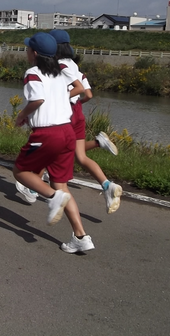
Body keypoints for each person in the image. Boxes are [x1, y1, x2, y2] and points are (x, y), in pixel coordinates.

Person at [12, 32, 94, 254]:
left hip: (47, 134)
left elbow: (37, 99)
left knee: (20, 171)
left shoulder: (32, 73)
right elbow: (80, 89)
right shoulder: (61, 72)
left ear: (35, 53)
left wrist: (22, 115)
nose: (26, 51)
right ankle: (80, 236)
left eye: (28, 48)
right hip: (67, 132)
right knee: (61, 184)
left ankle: (52, 197)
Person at [50, 29, 122, 214]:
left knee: (50, 148)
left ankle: (31, 185)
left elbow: (79, 89)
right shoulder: (75, 66)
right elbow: (88, 94)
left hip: (66, 113)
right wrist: (77, 103)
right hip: (78, 112)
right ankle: (107, 185)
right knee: (80, 157)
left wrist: (60, 99)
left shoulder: (59, 66)